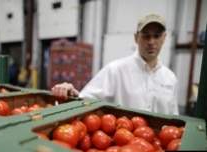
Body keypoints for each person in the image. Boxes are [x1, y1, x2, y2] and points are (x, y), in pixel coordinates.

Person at [51, 13, 179, 115]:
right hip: (125, 143)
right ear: (136, 37)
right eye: (146, 36)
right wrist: (70, 93)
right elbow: (86, 99)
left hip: (160, 145)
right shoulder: (116, 70)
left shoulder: (170, 78)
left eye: (157, 36)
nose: (152, 42)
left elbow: (174, 117)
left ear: (164, 38)